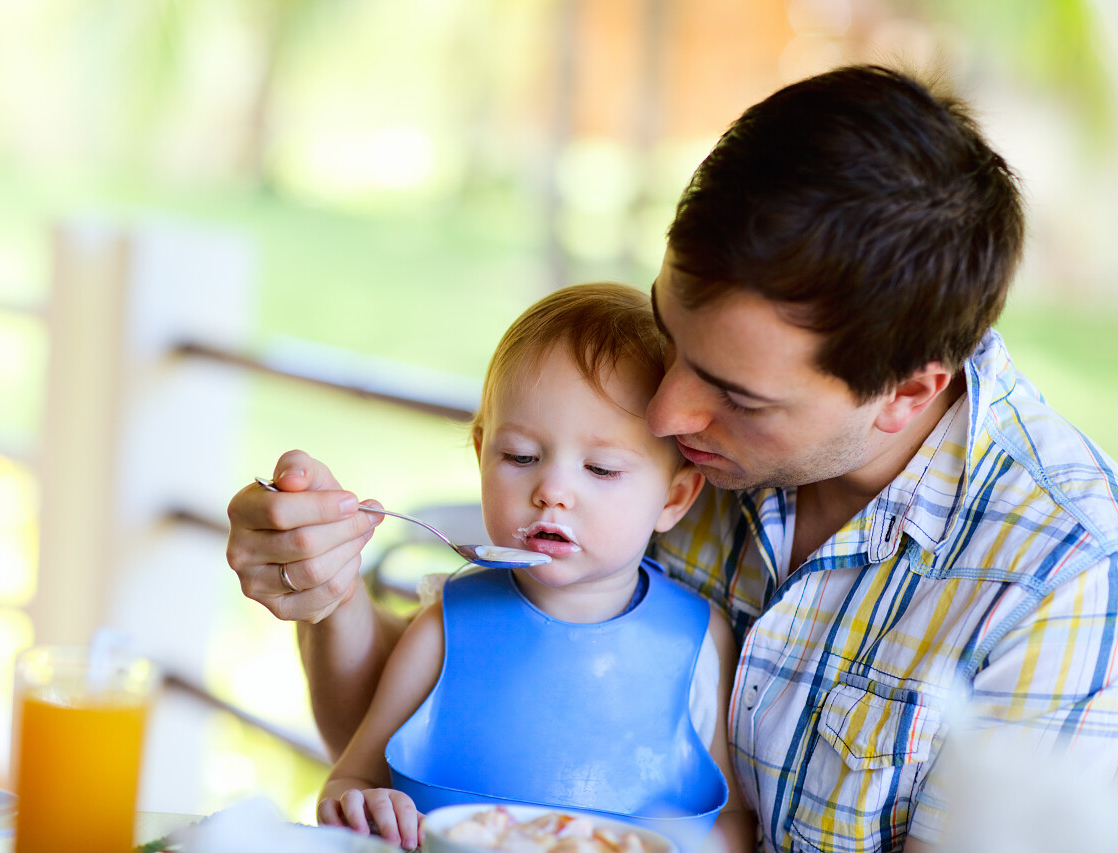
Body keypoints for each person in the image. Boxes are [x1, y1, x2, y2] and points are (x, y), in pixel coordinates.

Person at [225, 64, 1118, 853]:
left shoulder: (1056, 579)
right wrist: (325, 592)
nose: (665, 411)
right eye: (670, 333)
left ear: (908, 393)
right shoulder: (660, 436)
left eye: (736, 394)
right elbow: (441, 722)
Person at [313, 282, 748, 851]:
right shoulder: (445, 627)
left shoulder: (700, 641)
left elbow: (731, 820)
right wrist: (363, 802)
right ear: (481, 456)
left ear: (674, 498)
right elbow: (350, 780)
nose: (552, 491)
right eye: (520, 456)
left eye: (601, 468)